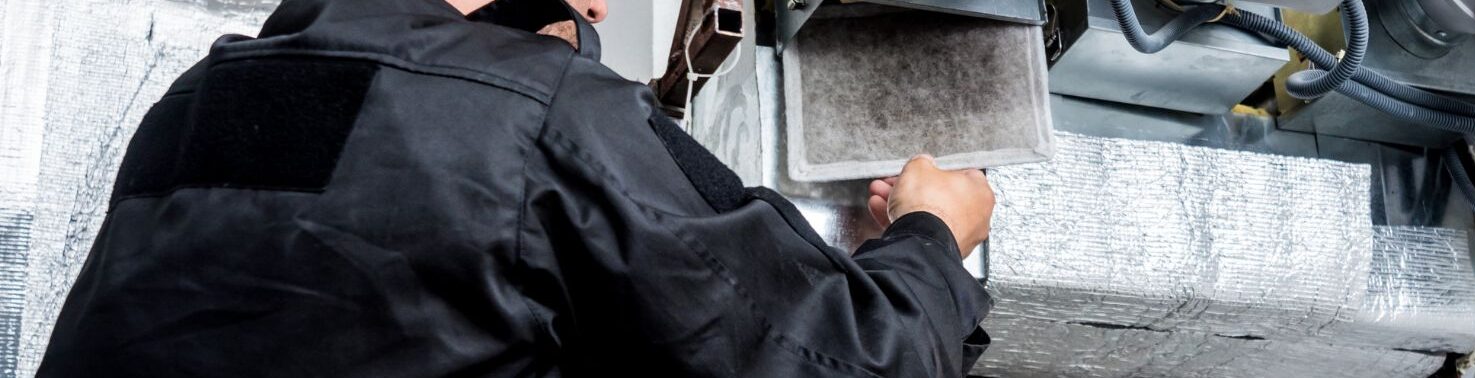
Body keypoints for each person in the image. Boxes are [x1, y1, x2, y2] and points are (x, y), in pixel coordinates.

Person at [37, 0, 996, 376]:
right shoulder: (536, 111)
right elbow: (851, 363)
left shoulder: (196, 102)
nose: (600, 8)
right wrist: (931, 236)